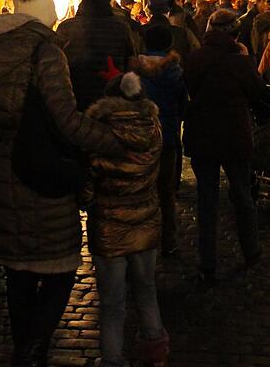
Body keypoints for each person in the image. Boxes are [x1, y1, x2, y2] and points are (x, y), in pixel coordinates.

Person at [0, 0, 121, 367]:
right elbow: (65, 119)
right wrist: (112, 140)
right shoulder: (45, 50)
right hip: (37, 175)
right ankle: (33, 347)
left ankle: (24, 348)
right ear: (46, 15)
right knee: (61, 267)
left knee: (17, 270)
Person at [83, 72, 169, 367]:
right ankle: (155, 348)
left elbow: (88, 183)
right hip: (145, 219)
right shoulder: (154, 129)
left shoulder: (99, 131)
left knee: (112, 303)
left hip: (109, 225)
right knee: (146, 290)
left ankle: (113, 359)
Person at [182, 9, 270, 283]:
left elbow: (189, 90)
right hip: (234, 135)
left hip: (203, 136)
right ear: (234, 33)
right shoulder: (240, 62)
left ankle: (207, 263)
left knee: (206, 200)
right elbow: (258, 93)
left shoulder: (195, 58)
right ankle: (251, 251)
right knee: (243, 195)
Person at [133, 24, 188, 255]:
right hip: (167, 135)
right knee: (166, 192)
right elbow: (182, 102)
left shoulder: (135, 69)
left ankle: (141, 241)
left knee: (141, 190)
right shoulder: (174, 70)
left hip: (142, 136)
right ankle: (168, 240)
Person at [55, 0, 138, 110]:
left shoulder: (66, 27)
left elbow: (57, 65)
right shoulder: (121, 27)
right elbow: (131, 61)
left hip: (76, 97)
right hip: (113, 97)